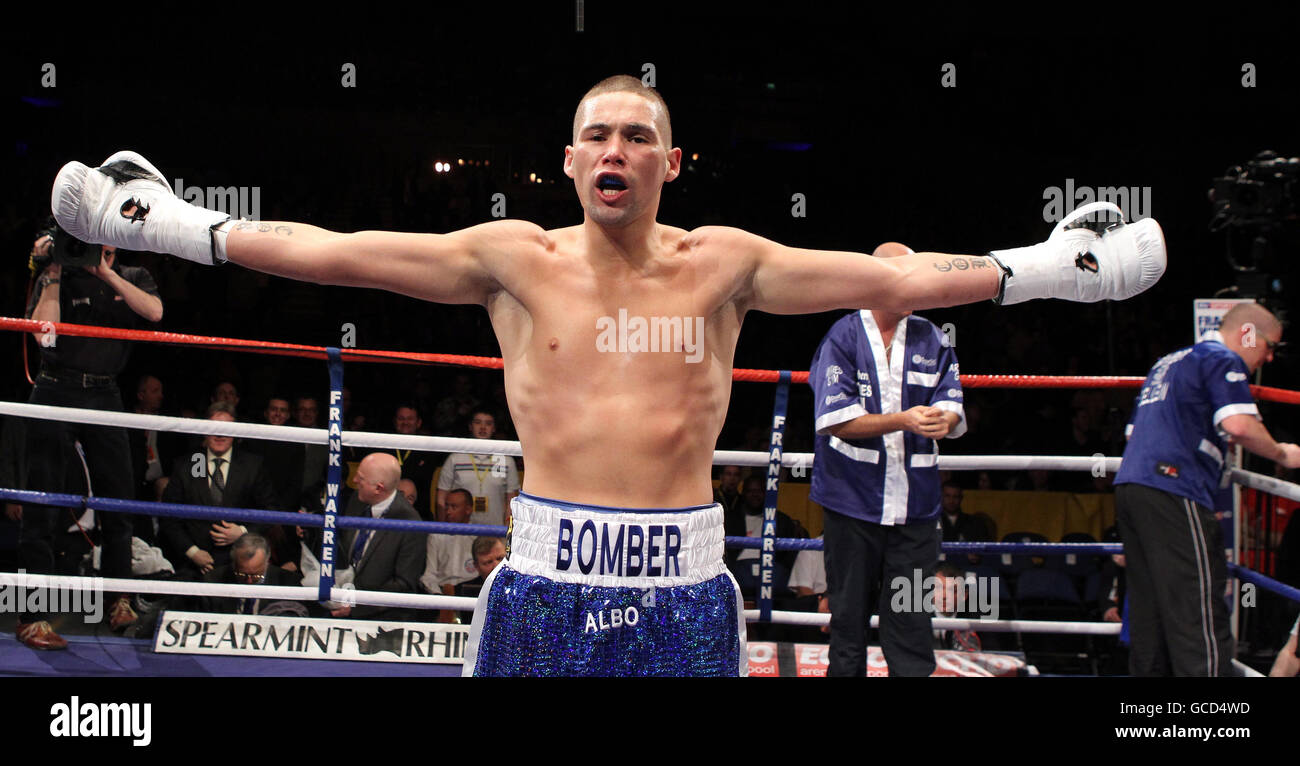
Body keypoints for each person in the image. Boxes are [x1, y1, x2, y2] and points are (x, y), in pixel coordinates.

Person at [51, 76, 1166, 675]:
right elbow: (326, 247)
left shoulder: (728, 262)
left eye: (641, 135)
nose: (619, 150)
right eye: (600, 135)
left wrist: (1050, 271)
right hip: (541, 589)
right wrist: (173, 223)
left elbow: (900, 275)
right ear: (573, 159)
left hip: (682, 597)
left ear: (669, 163)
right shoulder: (510, 260)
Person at [1114, 302, 1300, 677]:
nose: (1268, 357)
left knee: (1150, 611)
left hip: (1132, 487)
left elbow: (1132, 433)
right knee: (1198, 608)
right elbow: (1239, 425)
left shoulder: (1167, 363)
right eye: (1270, 346)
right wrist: (1284, 453)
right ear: (1247, 333)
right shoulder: (1220, 358)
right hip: (1174, 486)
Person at [809, 241, 967, 677]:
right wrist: (904, 420)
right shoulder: (842, 336)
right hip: (851, 503)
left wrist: (944, 419)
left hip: (915, 510)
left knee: (912, 623)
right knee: (848, 620)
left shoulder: (933, 336)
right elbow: (835, 419)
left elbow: (952, 402)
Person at [17, 234, 163, 649]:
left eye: (106, 246)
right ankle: (32, 617)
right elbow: (44, 336)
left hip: (105, 392)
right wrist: (55, 271)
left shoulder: (133, 276)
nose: (99, 251)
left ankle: (119, 600)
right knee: (42, 504)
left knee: (118, 503)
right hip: (54, 388)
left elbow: (154, 312)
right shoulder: (57, 274)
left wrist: (105, 272)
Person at [159, 401, 279, 580]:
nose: (220, 434)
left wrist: (243, 532)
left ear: (235, 432)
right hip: (191, 565)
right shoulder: (190, 463)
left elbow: (270, 511)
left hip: (238, 565)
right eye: (214, 427)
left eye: (226, 428)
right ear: (204, 430)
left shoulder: (252, 465)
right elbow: (168, 515)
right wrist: (192, 552)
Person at [331, 453, 426, 622]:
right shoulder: (358, 499)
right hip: (342, 606)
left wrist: (356, 604)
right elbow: (345, 550)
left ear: (378, 488)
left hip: (383, 620)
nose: (354, 481)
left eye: (361, 478)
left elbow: (404, 585)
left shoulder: (410, 523)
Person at [436, 408, 519, 526]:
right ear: (470, 426)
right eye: (478, 422)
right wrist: (443, 529)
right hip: (460, 531)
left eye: (488, 423)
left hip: (494, 531)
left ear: (494, 428)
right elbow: (441, 498)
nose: (483, 427)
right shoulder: (455, 459)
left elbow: (512, 502)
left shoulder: (506, 461)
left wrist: (506, 534)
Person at [420, 488, 480, 622]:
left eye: (454, 507)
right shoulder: (436, 535)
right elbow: (429, 575)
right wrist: (441, 597)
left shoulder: (480, 535)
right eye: (446, 506)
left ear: (468, 509)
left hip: (470, 594)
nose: (448, 511)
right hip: (440, 594)